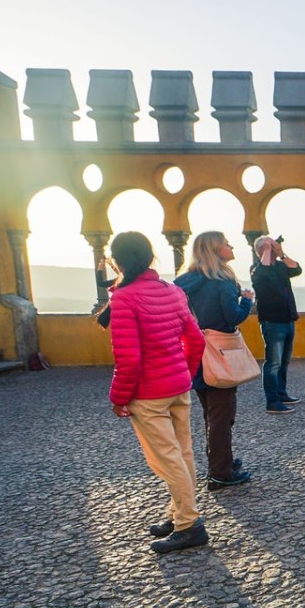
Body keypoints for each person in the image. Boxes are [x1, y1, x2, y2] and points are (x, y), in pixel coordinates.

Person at [105, 231, 209, 554]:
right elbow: (197, 340)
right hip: (178, 387)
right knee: (183, 452)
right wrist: (185, 374)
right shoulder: (172, 290)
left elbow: (129, 358)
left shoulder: (123, 298)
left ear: (118, 261)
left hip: (149, 394)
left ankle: (189, 524)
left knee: (166, 458)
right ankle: (179, 513)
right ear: (150, 257)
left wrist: (119, 397)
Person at [175, 231, 255, 490]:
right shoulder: (223, 281)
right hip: (219, 354)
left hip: (192, 353)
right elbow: (232, 317)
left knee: (210, 412)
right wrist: (247, 301)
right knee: (222, 415)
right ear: (216, 250)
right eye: (226, 244)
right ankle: (220, 473)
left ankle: (222, 462)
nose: (231, 247)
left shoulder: (181, 282)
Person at [250, 235, 302, 414]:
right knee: (273, 363)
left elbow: (297, 269)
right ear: (260, 250)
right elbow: (263, 271)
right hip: (272, 322)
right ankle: (272, 402)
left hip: (288, 320)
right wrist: (266, 250)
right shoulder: (256, 270)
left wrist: (281, 253)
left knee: (284, 361)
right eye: (269, 246)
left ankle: (281, 393)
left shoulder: (280, 266)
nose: (273, 248)